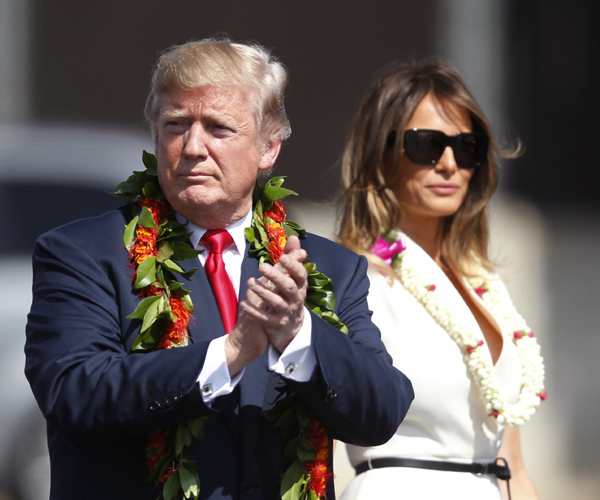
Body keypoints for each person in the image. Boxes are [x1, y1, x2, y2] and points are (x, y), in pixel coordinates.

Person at [24, 38, 414, 500]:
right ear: (155, 136)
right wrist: (229, 354)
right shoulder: (83, 252)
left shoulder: (326, 267)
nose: (192, 146)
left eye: (218, 128)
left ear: (269, 148)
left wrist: (300, 335)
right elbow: (74, 396)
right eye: (176, 124)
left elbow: (380, 414)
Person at [337, 59, 545, 500]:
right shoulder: (352, 276)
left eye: (467, 147)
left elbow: (513, 465)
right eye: (427, 145)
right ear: (381, 152)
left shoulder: (485, 286)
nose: (450, 163)